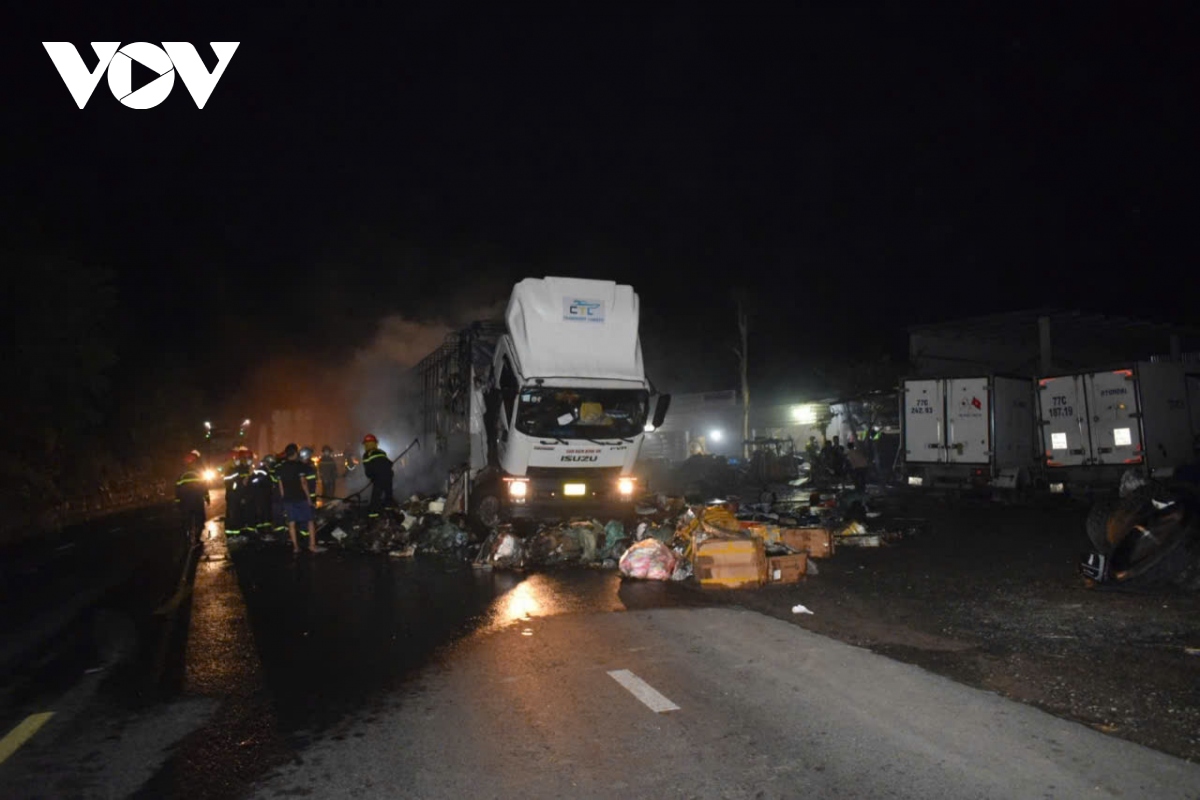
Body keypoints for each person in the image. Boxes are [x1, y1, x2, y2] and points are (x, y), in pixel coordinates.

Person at [277, 443, 322, 554]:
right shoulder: (299, 466)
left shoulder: (281, 467)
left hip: (288, 499)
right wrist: (309, 499)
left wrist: (284, 498)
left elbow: (280, 485)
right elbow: (303, 483)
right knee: (310, 521)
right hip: (300, 498)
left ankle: (296, 547)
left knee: (291, 523)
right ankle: (312, 545)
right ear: (295, 453)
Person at [175, 452, 209, 544]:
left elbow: (177, 488)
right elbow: (204, 486)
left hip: (186, 501)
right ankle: (197, 538)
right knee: (200, 519)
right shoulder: (198, 473)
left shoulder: (182, 474)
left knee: (187, 520)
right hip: (197, 500)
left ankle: (188, 537)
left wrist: (178, 501)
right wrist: (207, 497)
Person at [362, 434, 394, 518]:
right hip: (388, 476)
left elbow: (368, 470)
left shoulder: (367, 455)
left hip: (379, 478)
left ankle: (373, 516)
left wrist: (372, 477)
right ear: (375, 443)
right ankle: (389, 512)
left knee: (376, 497)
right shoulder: (382, 452)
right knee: (388, 495)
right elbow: (388, 463)